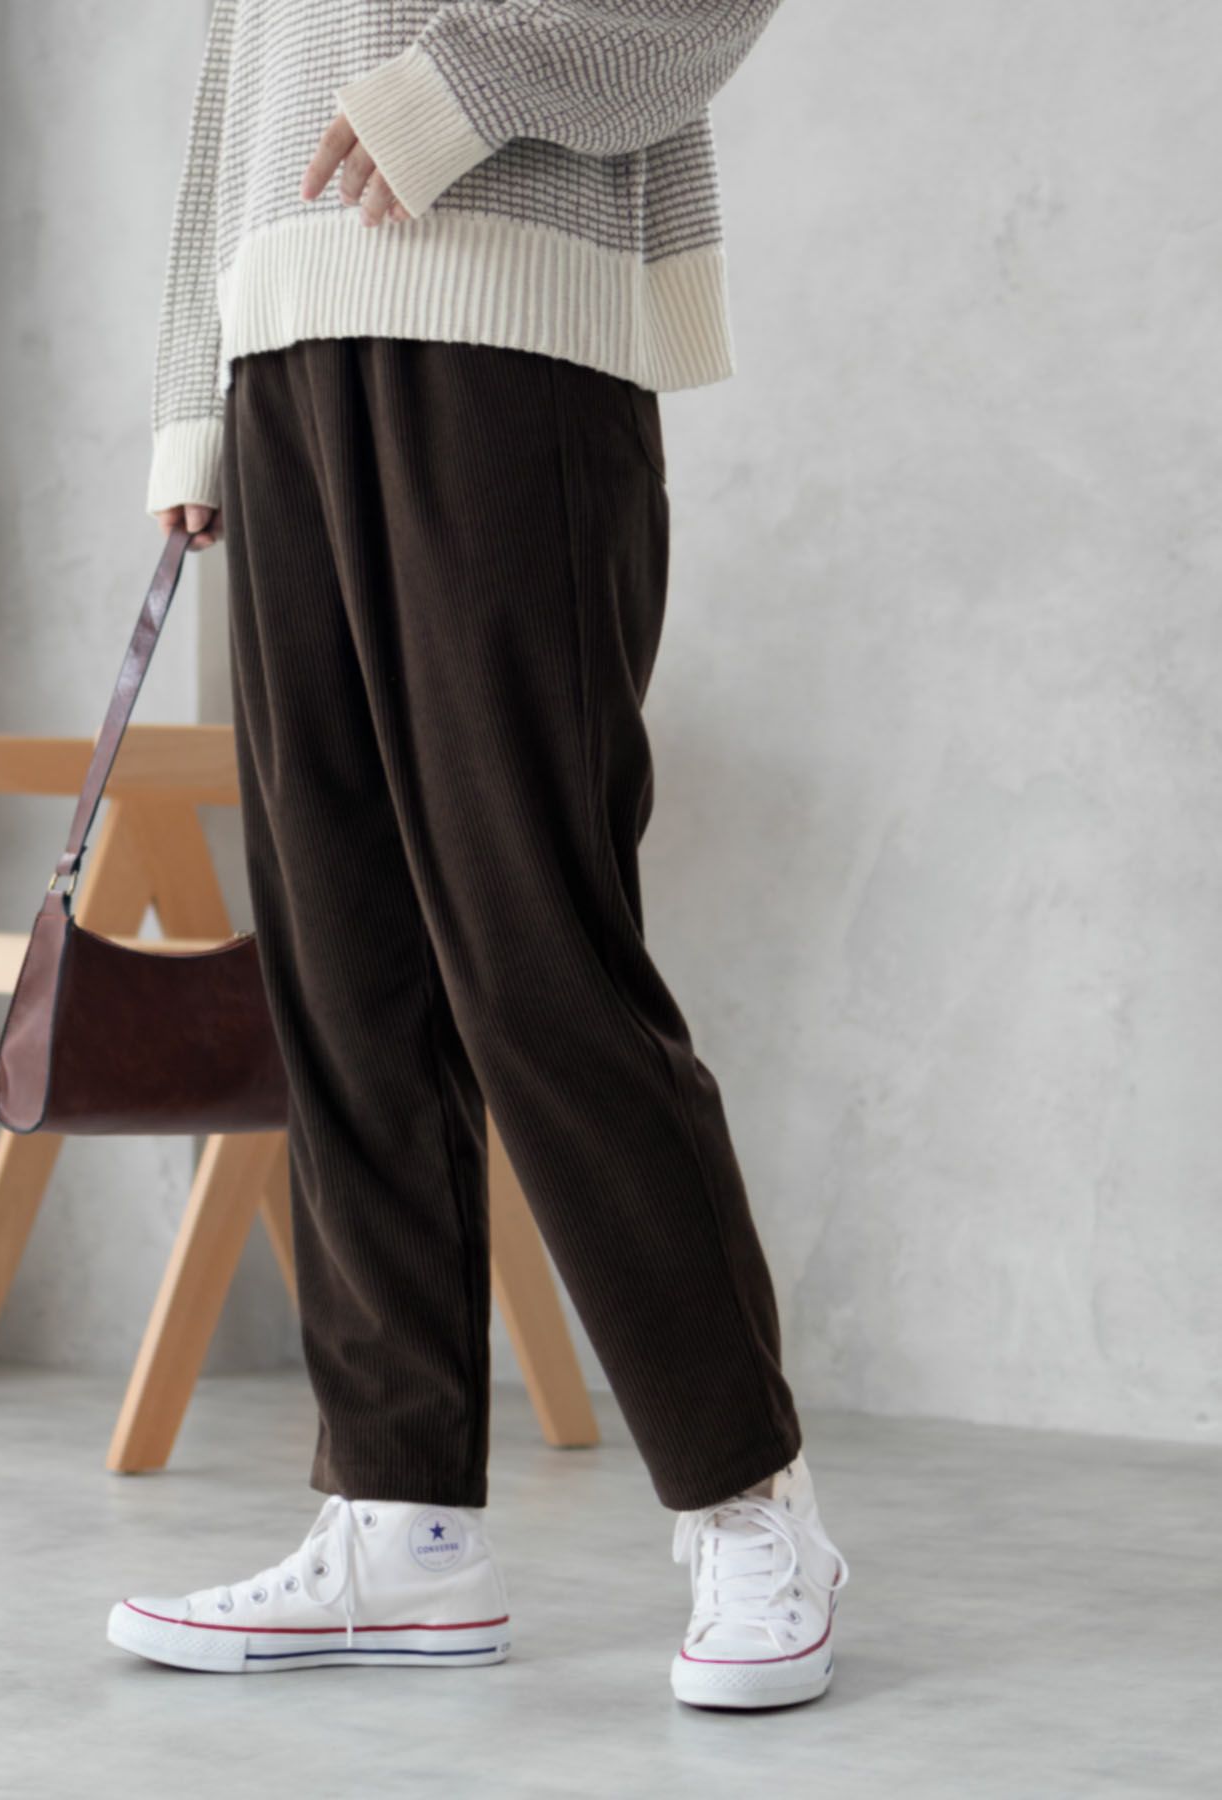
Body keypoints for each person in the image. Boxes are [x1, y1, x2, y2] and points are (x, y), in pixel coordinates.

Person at [107, 0, 848, 1711]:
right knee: (337, 966)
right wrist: (192, 400)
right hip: (279, 350)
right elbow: (240, 75)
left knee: (537, 953)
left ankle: (751, 1503)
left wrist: (462, 83)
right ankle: (402, 1521)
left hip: (511, 320)